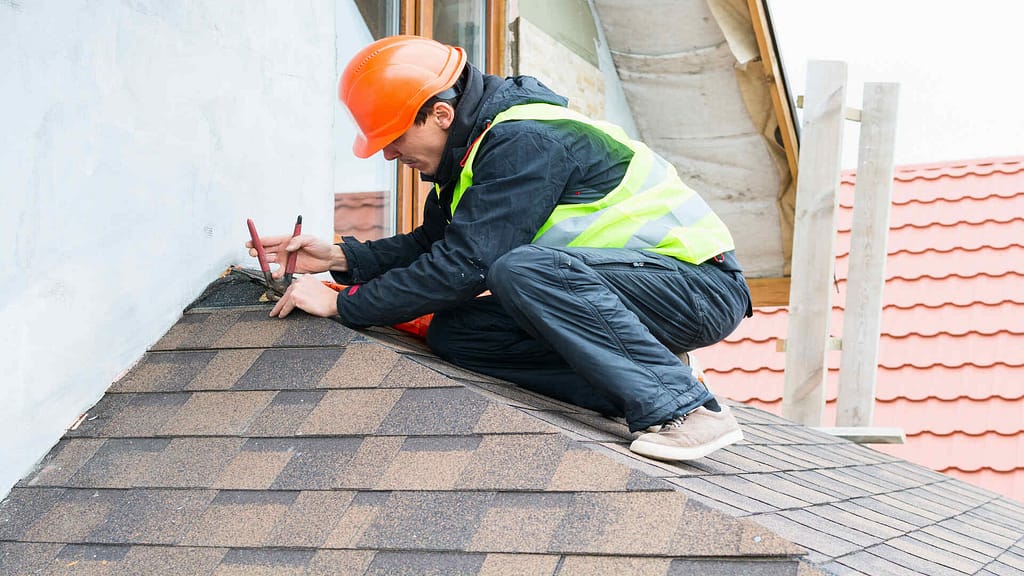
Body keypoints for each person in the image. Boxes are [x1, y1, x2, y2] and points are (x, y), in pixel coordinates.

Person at [247, 35, 753, 462]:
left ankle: (686, 409)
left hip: (698, 287)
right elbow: (436, 246)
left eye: (394, 136)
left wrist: (342, 302)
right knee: (458, 334)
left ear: (441, 114)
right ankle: (645, 375)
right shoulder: (472, 157)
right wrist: (339, 258)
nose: (388, 152)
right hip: (626, 295)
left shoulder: (525, 141)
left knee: (518, 271)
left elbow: (464, 267)